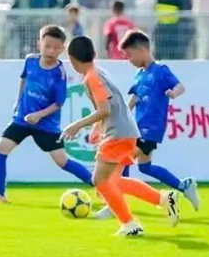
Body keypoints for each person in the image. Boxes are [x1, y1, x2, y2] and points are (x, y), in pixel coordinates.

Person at [61, 36, 179, 236]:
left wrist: (77, 125)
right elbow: (110, 106)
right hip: (126, 131)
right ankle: (163, 199)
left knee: (100, 180)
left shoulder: (92, 77)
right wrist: (98, 129)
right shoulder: (98, 72)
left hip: (118, 132)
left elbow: (105, 109)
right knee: (113, 182)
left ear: (72, 60)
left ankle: (129, 224)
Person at [0, 25, 93, 203]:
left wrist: (39, 115)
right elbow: (23, 78)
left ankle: (98, 185)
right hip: (22, 119)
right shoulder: (30, 61)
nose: (51, 51)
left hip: (46, 125)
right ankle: (0, 195)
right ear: (39, 44)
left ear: (62, 49)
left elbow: (58, 103)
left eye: (56, 48)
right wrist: (18, 100)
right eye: (48, 46)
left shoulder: (59, 73)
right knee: (0, 149)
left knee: (62, 162)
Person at [115, 29, 201, 212]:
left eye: (129, 55)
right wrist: (122, 114)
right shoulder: (139, 74)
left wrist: (174, 93)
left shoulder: (160, 70)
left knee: (123, 159)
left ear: (142, 50)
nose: (128, 60)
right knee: (145, 167)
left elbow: (180, 86)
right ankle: (184, 186)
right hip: (137, 128)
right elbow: (134, 98)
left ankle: (116, 203)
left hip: (150, 128)